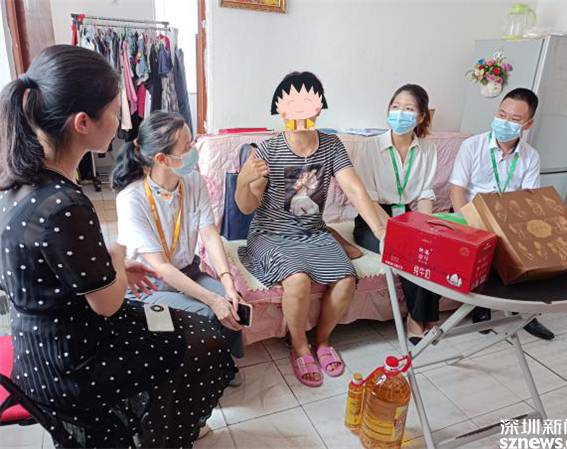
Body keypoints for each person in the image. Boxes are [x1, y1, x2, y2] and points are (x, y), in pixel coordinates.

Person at [0, 45, 235, 447]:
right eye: (115, 111)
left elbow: (51, 269)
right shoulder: (65, 203)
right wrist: (115, 257)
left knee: (200, 333)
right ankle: (161, 434)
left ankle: (159, 424)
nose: (121, 122)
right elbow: (107, 304)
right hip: (70, 358)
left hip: (44, 338)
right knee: (203, 342)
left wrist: (113, 270)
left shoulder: (19, 182)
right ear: (82, 123)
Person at [235, 72, 385, 387]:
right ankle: (299, 346)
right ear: (280, 109)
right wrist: (243, 180)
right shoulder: (267, 149)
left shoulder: (331, 145)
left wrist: (381, 231)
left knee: (346, 279)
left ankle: (323, 340)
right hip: (270, 234)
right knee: (298, 280)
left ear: (319, 107)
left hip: (313, 232)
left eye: (307, 102)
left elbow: (355, 189)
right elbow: (246, 207)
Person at [111, 111, 245, 381]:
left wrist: (227, 281)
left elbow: (209, 234)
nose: (193, 150)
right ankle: (197, 370)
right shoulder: (131, 199)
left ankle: (222, 361)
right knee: (207, 310)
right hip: (150, 285)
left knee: (231, 299)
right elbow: (160, 268)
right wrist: (212, 299)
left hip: (188, 272)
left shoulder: (193, 181)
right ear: (162, 158)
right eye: (187, 146)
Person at [449, 87, 555, 341]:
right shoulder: (471, 146)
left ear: (527, 124)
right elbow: (456, 191)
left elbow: (529, 201)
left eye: (514, 119)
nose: (505, 122)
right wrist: (469, 225)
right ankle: (480, 308)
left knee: (536, 244)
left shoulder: (531, 157)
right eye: (501, 114)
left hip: (510, 219)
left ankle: (526, 313)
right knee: (485, 243)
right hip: (472, 216)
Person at [353, 84, 439, 345]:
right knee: (407, 250)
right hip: (373, 218)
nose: (400, 113)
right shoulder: (369, 147)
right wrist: (394, 229)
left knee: (430, 247)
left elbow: (425, 194)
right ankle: (418, 319)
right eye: (396, 107)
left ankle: (426, 317)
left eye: (408, 109)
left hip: (409, 215)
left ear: (421, 117)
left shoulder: (428, 149)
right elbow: (366, 198)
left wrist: (426, 227)